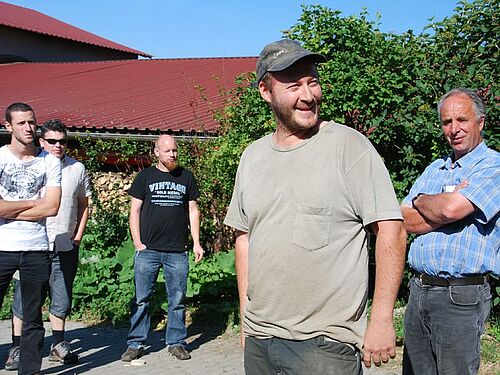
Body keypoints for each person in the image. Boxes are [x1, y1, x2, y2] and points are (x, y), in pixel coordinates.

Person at [224, 39, 407, 374]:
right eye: (294, 86)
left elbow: (392, 231)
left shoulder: (349, 148)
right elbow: (244, 238)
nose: (308, 95)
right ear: (266, 92)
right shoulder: (253, 157)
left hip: (325, 345)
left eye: (313, 82)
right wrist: (247, 321)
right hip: (261, 339)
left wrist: (381, 319)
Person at [401, 88, 499, 375]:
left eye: (462, 120)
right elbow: (404, 219)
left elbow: (451, 210)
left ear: (480, 122)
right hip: (419, 290)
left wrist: (425, 203)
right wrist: (435, 205)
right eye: (446, 122)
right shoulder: (435, 168)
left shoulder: (493, 166)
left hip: (461, 295)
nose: (454, 129)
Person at [5, 119, 92, 371]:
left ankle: (58, 344)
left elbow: (84, 204)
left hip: (64, 243)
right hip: (32, 244)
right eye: (52, 141)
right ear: (41, 141)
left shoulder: (77, 168)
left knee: (61, 297)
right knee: (25, 299)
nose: (58, 145)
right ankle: (17, 348)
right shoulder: (33, 164)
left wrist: (77, 237)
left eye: (62, 141)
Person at [121, 134, 204, 362]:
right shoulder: (145, 177)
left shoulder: (186, 177)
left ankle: (176, 343)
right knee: (141, 298)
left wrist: (196, 243)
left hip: (177, 250)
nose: (172, 154)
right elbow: (134, 211)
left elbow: (193, 211)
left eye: (175, 150)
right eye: (167, 150)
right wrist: (138, 243)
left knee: (177, 299)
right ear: (156, 152)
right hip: (148, 250)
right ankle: (136, 343)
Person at [0, 103, 62, 375]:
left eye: (32, 122)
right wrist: (31, 204)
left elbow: (51, 207)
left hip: (36, 248)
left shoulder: (50, 161)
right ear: (8, 126)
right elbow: (40, 205)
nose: (28, 127)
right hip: (1, 247)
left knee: (33, 317)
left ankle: (30, 371)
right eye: (22, 123)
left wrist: (9, 208)